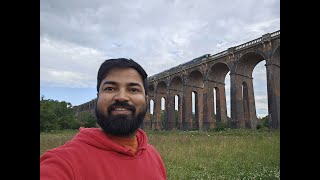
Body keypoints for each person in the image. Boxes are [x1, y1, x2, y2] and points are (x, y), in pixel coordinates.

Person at [40, 58, 167, 180]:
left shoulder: (153, 156)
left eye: (133, 89)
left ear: (146, 99)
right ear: (98, 97)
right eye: (110, 89)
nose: (121, 97)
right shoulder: (63, 162)